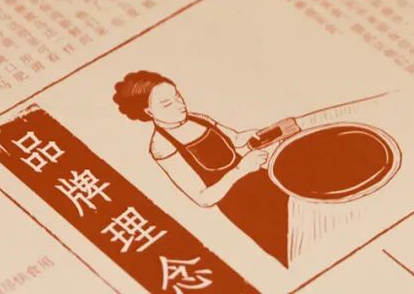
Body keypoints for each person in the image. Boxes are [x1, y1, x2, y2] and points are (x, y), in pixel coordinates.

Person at [113, 70, 291, 266]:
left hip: (266, 183)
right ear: (149, 112)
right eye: (167, 104)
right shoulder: (162, 146)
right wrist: (242, 169)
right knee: (287, 243)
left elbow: (234, 141)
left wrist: (253, 137)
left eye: (177, 96)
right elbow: (203, 198)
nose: (180, 105)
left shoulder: (197, 118)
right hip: (244, 206)